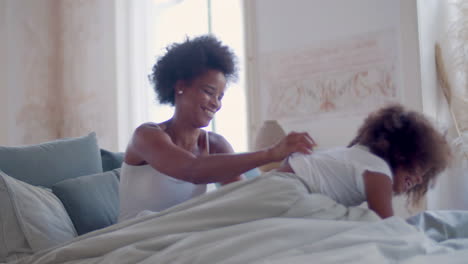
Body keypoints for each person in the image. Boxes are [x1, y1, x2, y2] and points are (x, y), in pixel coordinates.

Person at [118, 35, 316, 222]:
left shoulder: (215, 144)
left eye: (220, 97)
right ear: (180, 87)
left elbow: (242, 198)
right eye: (208, 92)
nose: (216, 103)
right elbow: (192, 170)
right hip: (135, 236)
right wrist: (271, 153)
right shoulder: (146, 136)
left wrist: (288, 172)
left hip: (183, 235)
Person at [277, 104, 451, 219]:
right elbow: (386, 225)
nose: (420, 179)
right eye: (419, 168)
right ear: (401, 153)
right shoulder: (377, 169)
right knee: (360, 221)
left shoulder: (354, 157)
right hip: (286, 192)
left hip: (278, 185)